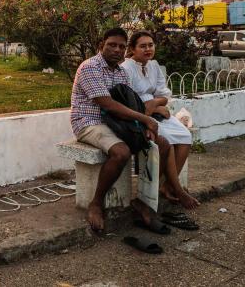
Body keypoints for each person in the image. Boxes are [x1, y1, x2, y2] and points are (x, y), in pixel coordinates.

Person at [70, 27, 198, 234]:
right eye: (112, 44)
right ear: (101, 45)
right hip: (89, 121)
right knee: (121, 151)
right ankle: (96, 203)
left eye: (121, 46)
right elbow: (108, 103)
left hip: (117, 122)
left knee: (162, 144)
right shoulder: (90, 67)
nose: (116, 50)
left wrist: (142, 126)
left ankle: (143, 203)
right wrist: (145, 119)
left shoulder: (120, 72)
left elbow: (128, 104)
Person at [122, 30, 194, 201]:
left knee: (185, 136)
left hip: (157, 111)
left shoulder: (153, 65)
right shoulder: (126, 68)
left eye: (150, 45)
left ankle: (168, 186)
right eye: (142, 46)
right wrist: (155, 107)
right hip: (139, 114)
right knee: (166, 140)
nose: (148, 49)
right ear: (132, 48)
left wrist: (155, 104)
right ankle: (168, 189)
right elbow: (130, 101)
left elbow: (164, 94)